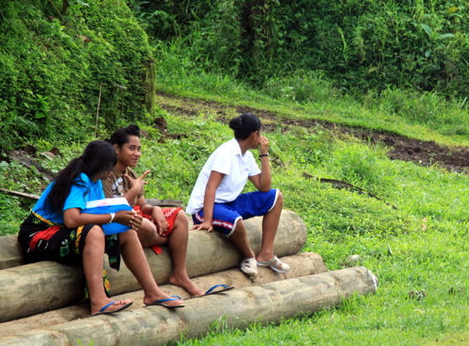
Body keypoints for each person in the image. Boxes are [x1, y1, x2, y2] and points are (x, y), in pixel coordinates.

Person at [17, 140, 185, 316]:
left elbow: (97, 211)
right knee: (94, 231)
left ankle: (152, 292)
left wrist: (123, 218)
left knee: (125, 231)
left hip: (65, 231)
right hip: (39, 235)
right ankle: (98, 301)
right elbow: (72, 219)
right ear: (103, 167)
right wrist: (114, 216)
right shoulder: (78, 181)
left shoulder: (95, 180)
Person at [105, 124, 220, 298]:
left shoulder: (131, 174)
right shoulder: (106, 175)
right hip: (119, 221)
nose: (137, 153)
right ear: (116, 149)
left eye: (139, 149)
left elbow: (143, 206)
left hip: (136, 215)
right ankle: (168, 240)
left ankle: (180, 275)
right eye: (131, 148)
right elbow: (114, 210)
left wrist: (156, 210)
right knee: (145, 226)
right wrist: (134, 190)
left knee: (180, 216)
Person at [186, 112, 289, 278]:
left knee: (275, 197)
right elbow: (211, 187)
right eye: (260, 133)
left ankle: (266, 254)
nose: (261, 137)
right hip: (206, 208)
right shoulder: (226, 153)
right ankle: (249, 257)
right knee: (236, 222)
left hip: (229, 203)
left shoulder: (246, 156)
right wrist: (206, 220)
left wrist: (264, 155)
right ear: (255, 134)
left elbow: (264, 187)